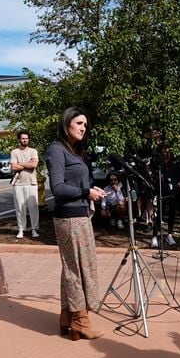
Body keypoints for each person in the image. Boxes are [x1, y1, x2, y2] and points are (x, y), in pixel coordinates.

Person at [45, 107, 107, 340]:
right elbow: (57, 188)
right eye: (79, 123)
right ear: (66, 124)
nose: (83, 128)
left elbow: (79, 184)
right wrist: (86, 192)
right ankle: (81, 320)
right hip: (68, 217)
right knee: (78, 269)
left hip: (79, 215)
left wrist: (92, 190)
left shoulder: (75, 151)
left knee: (73, 267)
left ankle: (66, 316)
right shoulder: (56, 150)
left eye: (85, 125)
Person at [10, 131, 40, 239]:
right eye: (23, 138)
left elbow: (34, 165)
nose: (25, 140)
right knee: (19, 208)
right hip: (18, 184)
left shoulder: (33, 151)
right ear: (19, 139)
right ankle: (21, 229)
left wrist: (20, 164)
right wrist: (28, 164)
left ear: (29, 139)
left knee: (33, 207)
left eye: (26, 138)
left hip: (31, 183)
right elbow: (13, 167)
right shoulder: (14, 152)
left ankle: (34, 229)